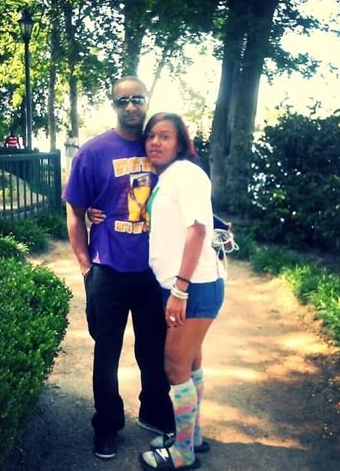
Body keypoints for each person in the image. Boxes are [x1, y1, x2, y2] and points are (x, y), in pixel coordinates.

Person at [63, 76, 174, 461]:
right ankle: (107, 425)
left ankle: (155, 411)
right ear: (112, 105)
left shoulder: (161, 147)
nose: (130, 106)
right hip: (106, 270)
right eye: (122, 101)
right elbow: (75, 212)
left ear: (146, 101)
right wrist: (85, 267)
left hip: (152, 272)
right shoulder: (93, 152)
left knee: (154, 350)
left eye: (137, 99)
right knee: (106, 353)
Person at [138, 113, 226, 470]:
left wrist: (180, 289)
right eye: (151, 136)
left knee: (174, 367)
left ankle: (183, 453)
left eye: (165, 136)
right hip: (185, 286)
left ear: (180, 143)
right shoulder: (170, 176)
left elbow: (198, 230)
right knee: (190, 364)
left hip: (194, 287)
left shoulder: (186, 174)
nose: (155, 142)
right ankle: (192, 437)